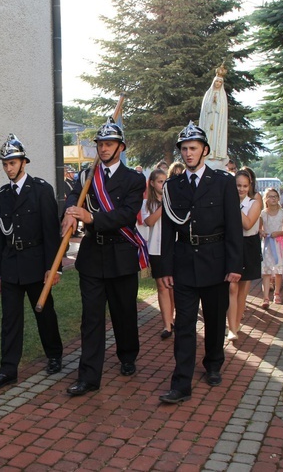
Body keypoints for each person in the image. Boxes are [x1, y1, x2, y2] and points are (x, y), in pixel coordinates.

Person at [61, 118, 148, 396]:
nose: (103, 148)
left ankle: (127, 355)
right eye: (100, 144)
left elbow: (126, 215)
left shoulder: (134, 179)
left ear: (121, 147)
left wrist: (90, 216)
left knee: (124, 313)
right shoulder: (86, 176)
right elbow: (72, 198)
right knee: (92, 319)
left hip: (121, 254)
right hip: (92, 255)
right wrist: (69, 212)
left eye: (109, 143)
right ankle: (89, 376)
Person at [157, 121, 243, 404]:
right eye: (184, 149)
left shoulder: (223, 183)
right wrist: (165, 268)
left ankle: (214, 364)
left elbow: (233, 226)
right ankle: (181, 383)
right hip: (184, 263)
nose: (188, 153)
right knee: (183, 325)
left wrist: (234, 265)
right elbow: (168, 230)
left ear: (204, 150)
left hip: (216, 261)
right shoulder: (173, 185)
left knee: (215, 320)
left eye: (193, 148)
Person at [0, 135, 64, 391]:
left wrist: (54, 268)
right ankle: (8, 370)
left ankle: (54, 355)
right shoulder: (1, 196)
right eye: (5, 163)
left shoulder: (41, 190)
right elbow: (0, 236)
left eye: (12, 162)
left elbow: (51, 232)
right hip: (10, 266)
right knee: (10, 320)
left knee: (44, 312)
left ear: (24, 163)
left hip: (36, 262)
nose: (8, 167)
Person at [227, 168, 262, 340]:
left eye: (244, 186)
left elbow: (248, 224)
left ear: (249, 187)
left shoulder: (254, 202)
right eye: (238, 185)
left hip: (249, 245)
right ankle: (231, 328)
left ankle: (237, 322)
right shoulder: (226, 201)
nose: (241, 189)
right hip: (232, 245)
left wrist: (233, 205)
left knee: (242, 290)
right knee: (231, 287)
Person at [140, 168, 175, 339]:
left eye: (165, 181)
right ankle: (167, 324)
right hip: (156, 249)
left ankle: (174, 317)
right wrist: (164, 207)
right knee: (162, 286)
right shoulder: (148, 204)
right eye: (160, 181)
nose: (163, 184)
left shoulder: (175, 200)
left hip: (174, 248)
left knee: (174, 286)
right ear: (152, 184)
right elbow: (148, 221)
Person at [260, 188, 283, 307]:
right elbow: (260, 228)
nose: (273, 198)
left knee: (278, 270)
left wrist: (277, 233)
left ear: (278, 198)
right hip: (267, 245)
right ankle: (265, 297)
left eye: (275, 196)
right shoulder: (263, 213)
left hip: (278, 245)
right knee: (266, 271)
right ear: (266, 199)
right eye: (270, 196)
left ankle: (277, 293)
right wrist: (262, 232)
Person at [199, 65, 229, 163]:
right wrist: (211, 102)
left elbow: (222, 110)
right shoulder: (208, 94)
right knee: (208, 135)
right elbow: (204, 108)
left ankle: (215, 153)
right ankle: (207, 152)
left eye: (220, 82)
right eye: (216, 81)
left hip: (217, 120)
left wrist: (217, 103)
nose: (218, 83)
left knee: (216, 136)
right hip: (209, 119)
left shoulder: (222, 96)